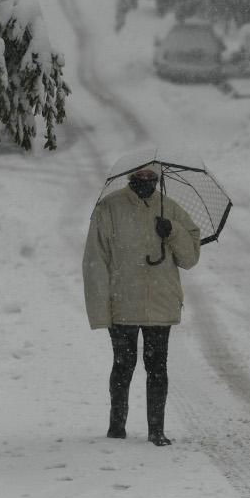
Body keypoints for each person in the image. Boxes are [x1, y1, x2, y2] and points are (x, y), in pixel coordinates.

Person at [82, 165, 200, 446]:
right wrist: (101, 308)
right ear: (130, 178)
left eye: (151, 178)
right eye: (140, 178)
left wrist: (172, 231)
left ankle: (156, 430)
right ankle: (116, 427)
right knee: (123, 366)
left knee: (157, 367)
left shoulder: (169, 208)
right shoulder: (108, 209)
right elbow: (94, 261)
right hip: (122, 303)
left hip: (161, 304)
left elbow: (190, 257)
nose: (146, 182)